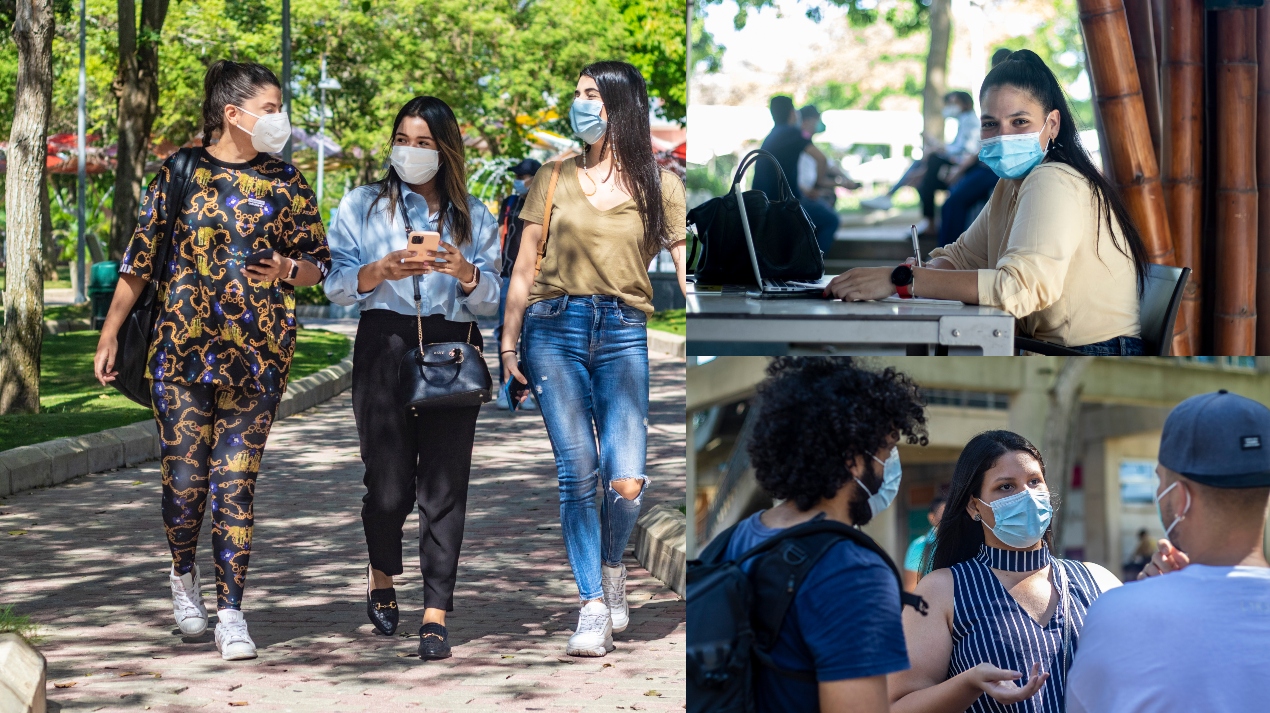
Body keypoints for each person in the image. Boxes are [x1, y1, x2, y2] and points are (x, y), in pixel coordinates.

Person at [92, 60, 330, 661]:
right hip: (181, 354)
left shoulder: (287, 181)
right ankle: (182, 573)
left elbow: (319, 265)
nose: (280, 119)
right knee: (184, 484)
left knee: (236, 485)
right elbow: (139, 259)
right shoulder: (179, 171)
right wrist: (111, 331)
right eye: (271, 108)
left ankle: (231, 612)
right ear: (233, 112)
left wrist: (286, 270)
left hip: (259, 355)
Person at [498, 61, 687, 658]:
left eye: (591, 96)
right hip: (553, 329)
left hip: (625, 330)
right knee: (577, 474)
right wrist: (507, 345)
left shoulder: (662, 186)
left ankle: (611, 568)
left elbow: (689, 272)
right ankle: (592, 605)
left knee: (626, 478)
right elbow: (524, 267)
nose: (580, 105)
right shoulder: (552, 177)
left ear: (621, 106)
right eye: (577, 94)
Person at [324, 95, 501, 660]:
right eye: (404, 139)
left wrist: (467, 273)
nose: (412, 151)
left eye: (425, 142)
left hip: (452, 346)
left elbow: (493, 302)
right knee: (388, 485)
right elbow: (334, 282)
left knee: (445, 486)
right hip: (384, 343)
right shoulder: (362, 205)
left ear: (446, 149)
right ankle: (381, 572)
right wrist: (382, 270)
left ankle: (435, 612)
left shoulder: (474, 214)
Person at [827, 50, 1149, 355]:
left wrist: (901, 280)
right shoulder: (1011, 184)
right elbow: (962, 256)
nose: (1003, 135)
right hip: (1046, 347)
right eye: (990, 124)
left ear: (1052, 124)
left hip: (1089, 354)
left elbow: (1019, 288)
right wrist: (908, 276)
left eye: (1020, 122)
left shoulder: (1053, 179)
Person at [724, 357, 928, 713]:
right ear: (853, 459)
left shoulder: (739, 537)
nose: (889, 464)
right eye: (886, 450)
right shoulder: (855, 571)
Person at [888, 430, 1122, 713]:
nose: (1027, 496)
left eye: (1035, 482)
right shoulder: (943, 591)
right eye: (1006, 487)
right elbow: (897, 707)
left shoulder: (1099, 581)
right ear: (974, 505)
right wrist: (968, 685)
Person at [1065, 390, 1270, 713]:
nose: (1159, 491)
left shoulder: (1118, 614)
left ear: (1181, 497)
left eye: (1160, 480)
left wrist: (1152, 601)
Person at [859, 91, 981, 229]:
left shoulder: (970, 122)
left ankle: (891, 195)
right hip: (957, 165)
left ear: (966, 104)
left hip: (963, 168)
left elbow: (966, 150)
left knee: (930, 162)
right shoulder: (964, 121)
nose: (949, 106)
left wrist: (937, 148)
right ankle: (904, 202)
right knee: (924, 172)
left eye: (953, 103)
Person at [752, 95, 840, 254]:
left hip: (763, 202)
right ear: (793, 113)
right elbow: (821, 159)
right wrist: (818, 184)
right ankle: (811, 264)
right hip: (783, 204)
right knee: (830, 220)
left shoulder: (772, 136)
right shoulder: (792, 133)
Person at [494, 158, 541, 409]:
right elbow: (501, 233)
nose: (519, 181)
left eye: (523, 177)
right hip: (508, 275)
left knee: (530, 335)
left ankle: (527, 390)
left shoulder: (544, 203)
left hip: (535, 278)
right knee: (506, 332)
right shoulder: (510, 203)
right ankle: (506, 387)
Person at [902, 496, 945, 592]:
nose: (949, 518)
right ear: (932, 518)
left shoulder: (963, 543)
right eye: (943, 513)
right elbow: (911, 590)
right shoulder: (919, 546)